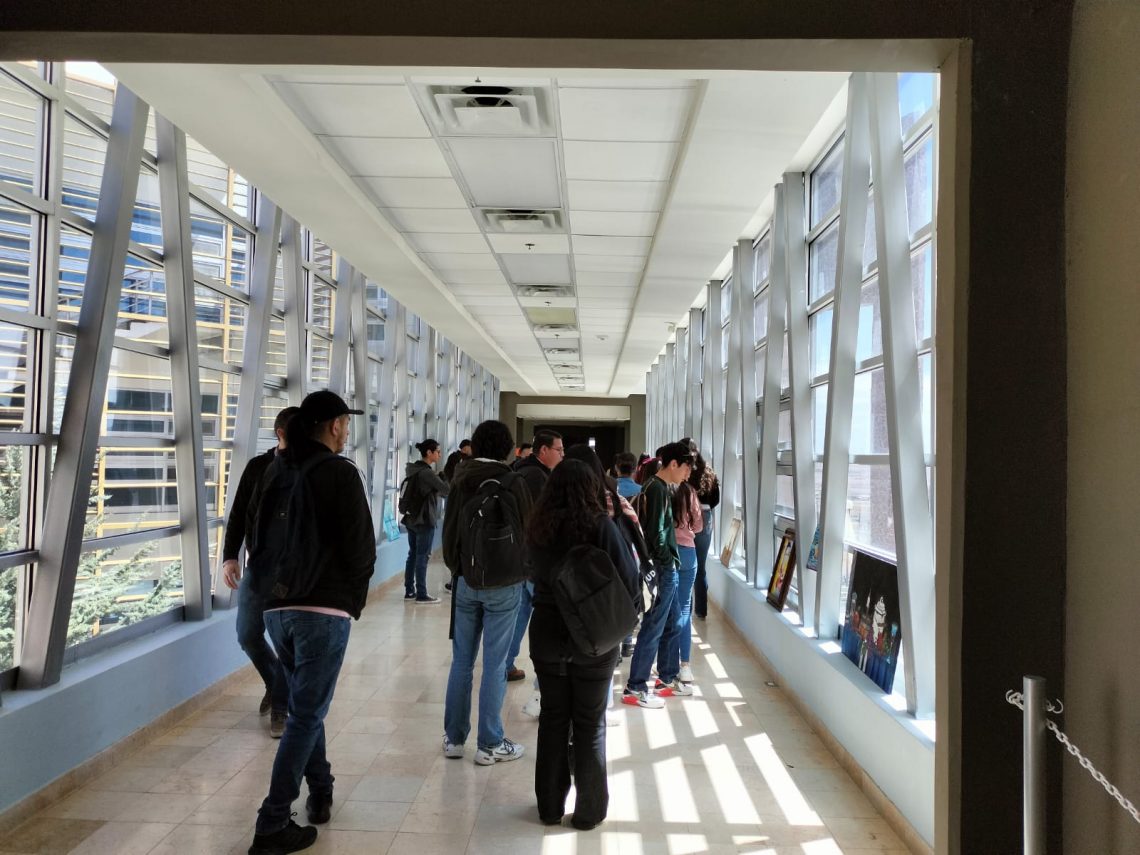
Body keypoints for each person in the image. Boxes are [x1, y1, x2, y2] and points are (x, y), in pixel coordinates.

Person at [244, 390, 376, 855]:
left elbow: (256, 536)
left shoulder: (276, 470)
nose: (347, 430)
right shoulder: (340, 473)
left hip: (277, 610)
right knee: (305, 715)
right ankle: (272, 823)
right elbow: (361, 548)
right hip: (322, 611)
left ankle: (321, 789)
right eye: (345, 423)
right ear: (335, 426)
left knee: (305, 706)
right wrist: (350, 600)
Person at [526, 460, 639, 830]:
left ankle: (549, 807)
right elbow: (629, 579)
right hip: (594, 635)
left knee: (553, 719)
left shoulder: (538, 527)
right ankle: (589, 811)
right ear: (591, 488)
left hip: (547, 631)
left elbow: (530, 573)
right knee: (590, 723)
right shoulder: (601, 526)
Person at [441, 419, 533, 765]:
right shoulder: (514, 481)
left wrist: (458, 570)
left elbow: (450, 531)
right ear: (508, 449)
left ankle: (454, 739)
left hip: (466, 581)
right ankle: (490, 743)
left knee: (462, 662)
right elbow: (528, 530)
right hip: (505, 584)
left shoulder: (461, 478)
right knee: (495, 664)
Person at [221, 406, 298, 739]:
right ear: (281, 433)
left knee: (285, 642)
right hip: (259, 567)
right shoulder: (258, 467)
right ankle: (274, 682)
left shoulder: (308, 469)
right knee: (247, 633)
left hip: (294, 572)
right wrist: (230, 556)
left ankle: (281, 706)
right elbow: (239, 512)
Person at [623, 441, 693, 708]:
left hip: (666, 567)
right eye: (686, 468)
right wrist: (667, 563)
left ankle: (666, 678)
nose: (687, 474)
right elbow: (657, 534)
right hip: (663, 569)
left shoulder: (657, 486)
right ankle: (635, 687)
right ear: (673, 464)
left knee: (673, 624)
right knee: (653, 626)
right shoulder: (657, 490)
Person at [507, 430, 564, 701]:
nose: (562, 455)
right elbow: (538, 520)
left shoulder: (522, 471)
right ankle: (544, 684)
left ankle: (506, 663)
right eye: (558, 450)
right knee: (543, 620)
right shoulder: (536, 478)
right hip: (534, 559)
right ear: (543, 450)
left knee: (520, 613)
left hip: (523, 557)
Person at [665, 475, 703, 684]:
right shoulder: (689, 491)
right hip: (688, 553)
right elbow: (698, 526)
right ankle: (685, 666)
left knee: (668, 609)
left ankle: (667, 664)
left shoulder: (663, 488)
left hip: (668, 553)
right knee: (685, 609)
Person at [402, 439, 449, 604]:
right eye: (438, 451)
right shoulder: (427, 473)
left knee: (413, 555)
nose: (440, 455)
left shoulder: (412, 470)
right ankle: (422, 594)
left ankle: (409, 591)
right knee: (423, 556)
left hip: (411, 518)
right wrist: (443, 478)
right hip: (424, 519)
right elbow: (446, 490)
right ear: (429, 453)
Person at [688, 450, 719, 620]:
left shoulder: (686, 471)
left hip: (689, 515)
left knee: (686, 564)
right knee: (701, 566)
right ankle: (701, 610)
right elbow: (716, 499)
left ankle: (687, 608)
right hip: (707, 516)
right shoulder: (709, 472)